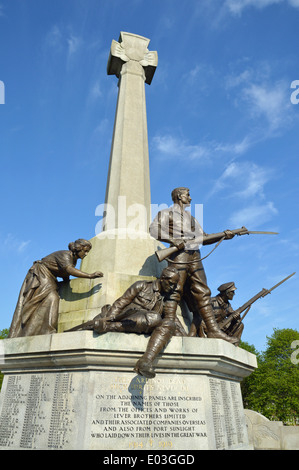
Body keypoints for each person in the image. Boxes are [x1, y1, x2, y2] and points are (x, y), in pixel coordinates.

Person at [149, 187, 238, 344]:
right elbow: (153, 230)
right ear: (179, 197)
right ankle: (169, 323)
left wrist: (224, 236)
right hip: (179, 255)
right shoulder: (166, 213)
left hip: (195, 256)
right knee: (174, 289)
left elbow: (203, 238)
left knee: (203, 292)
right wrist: (173, 240)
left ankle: (213, 330)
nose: (190, 198)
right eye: (187, 195)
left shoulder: (191, 218)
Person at [67, 266, 185, 378]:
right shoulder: (142, 285)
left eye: (174, 285)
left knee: (168, 323)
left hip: (150, 322)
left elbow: (170, 318)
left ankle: (146, 361)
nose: (172, 287)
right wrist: (108, 318)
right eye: (170, 284)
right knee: (154, 318)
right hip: (129, 317)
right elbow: (121, 302)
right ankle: (109, 325)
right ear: (162, 278)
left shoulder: (170, 295)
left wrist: (182, 335)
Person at [8, 239, 103, 338]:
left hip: (49, 277)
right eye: (85, 251)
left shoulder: (73, 260)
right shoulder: (66, 255)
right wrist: (90, 276)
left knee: (48, 300)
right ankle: (47, 330)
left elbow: (65, 274)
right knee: (52, 297)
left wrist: (67, 283)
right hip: (41, 274)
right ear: (78, 249)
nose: (86, 254)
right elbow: (69, 270)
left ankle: (38, 330)